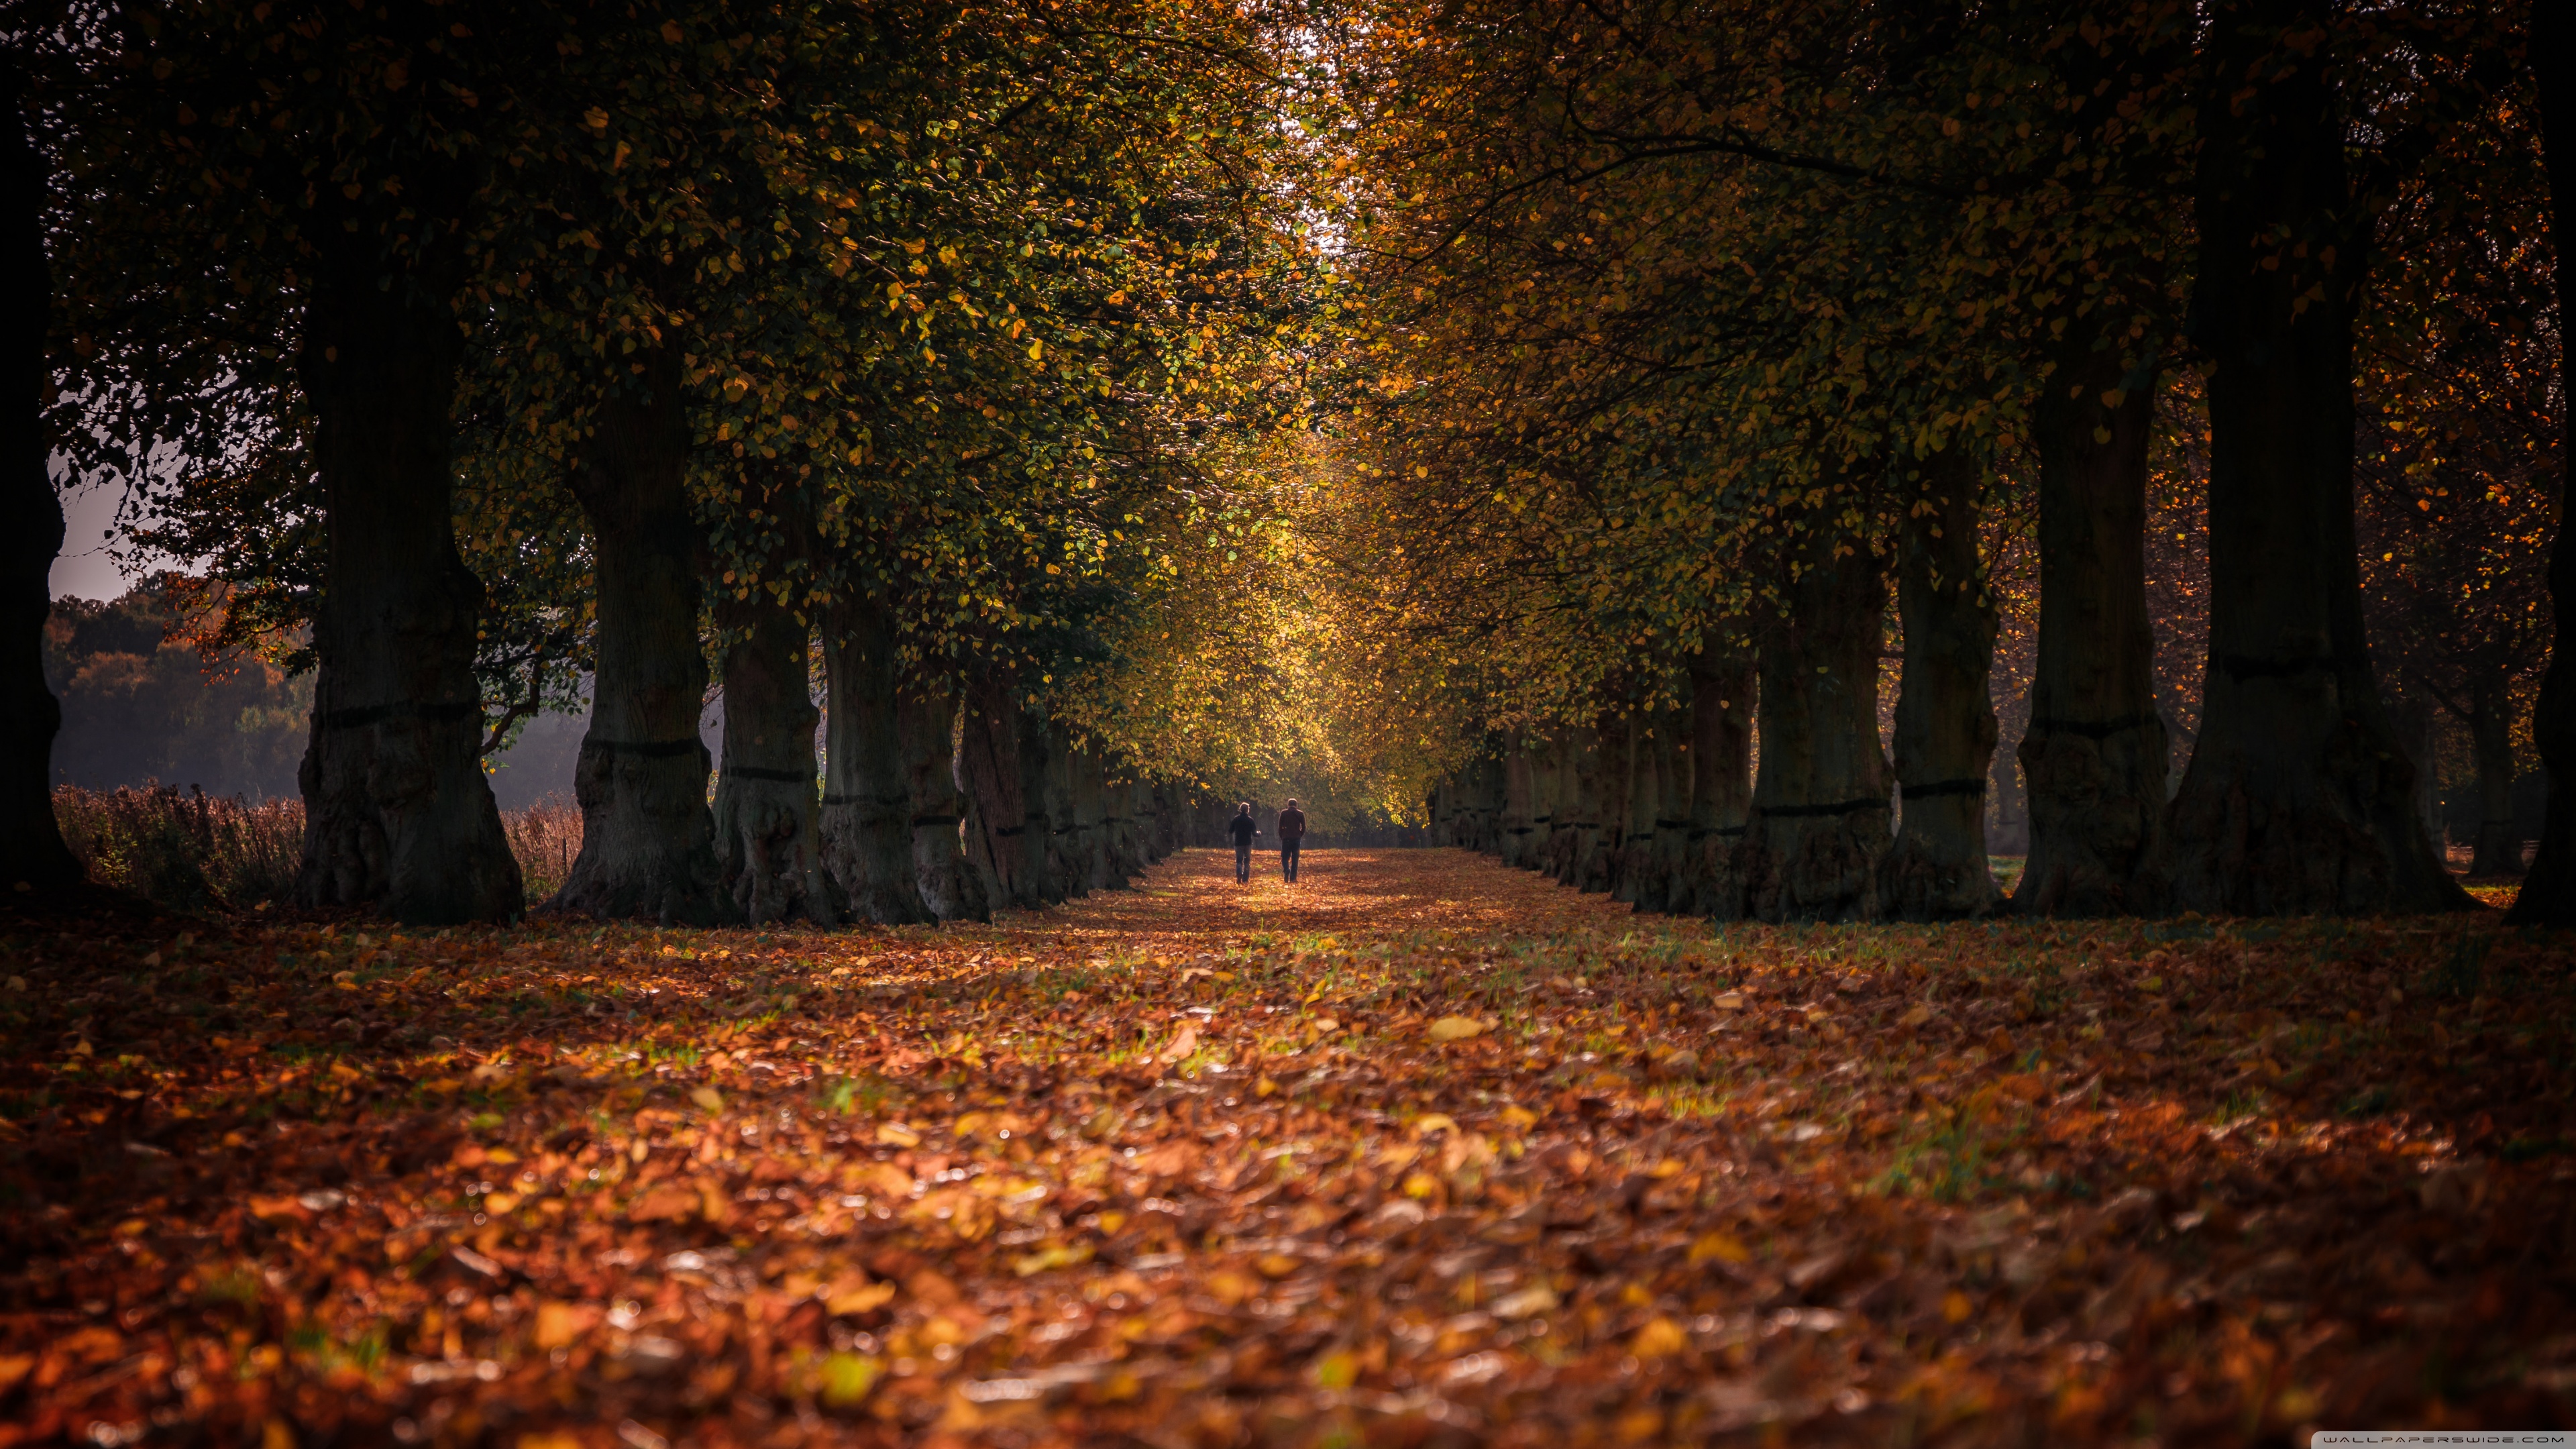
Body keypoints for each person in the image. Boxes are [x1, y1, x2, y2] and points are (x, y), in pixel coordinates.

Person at [1226, 802, 1258, 883]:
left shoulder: (1236, 819)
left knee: (1239, 861)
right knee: (1247, 861)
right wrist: (1259, 834)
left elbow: (1230, 831)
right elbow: (1255, 834)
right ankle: (1245, 879)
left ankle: (1239, 873)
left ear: (1240, 809)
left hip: (1238, 843)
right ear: (1248, 810)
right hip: (1248, 843)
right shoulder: (1251, 820)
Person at [1277, 798, 1307, 882]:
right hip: (1296, 839)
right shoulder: (1301, 814)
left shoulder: (1284, 813)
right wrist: (1300, 835)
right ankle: (1293, 878)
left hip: (1286, 838)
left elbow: (1280, 827)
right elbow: (1304, 827)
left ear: (1288, 805)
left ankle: (1286, 869)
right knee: (1295, 859)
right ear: (1296, 805)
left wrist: (1282, 836)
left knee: (1285, 857)